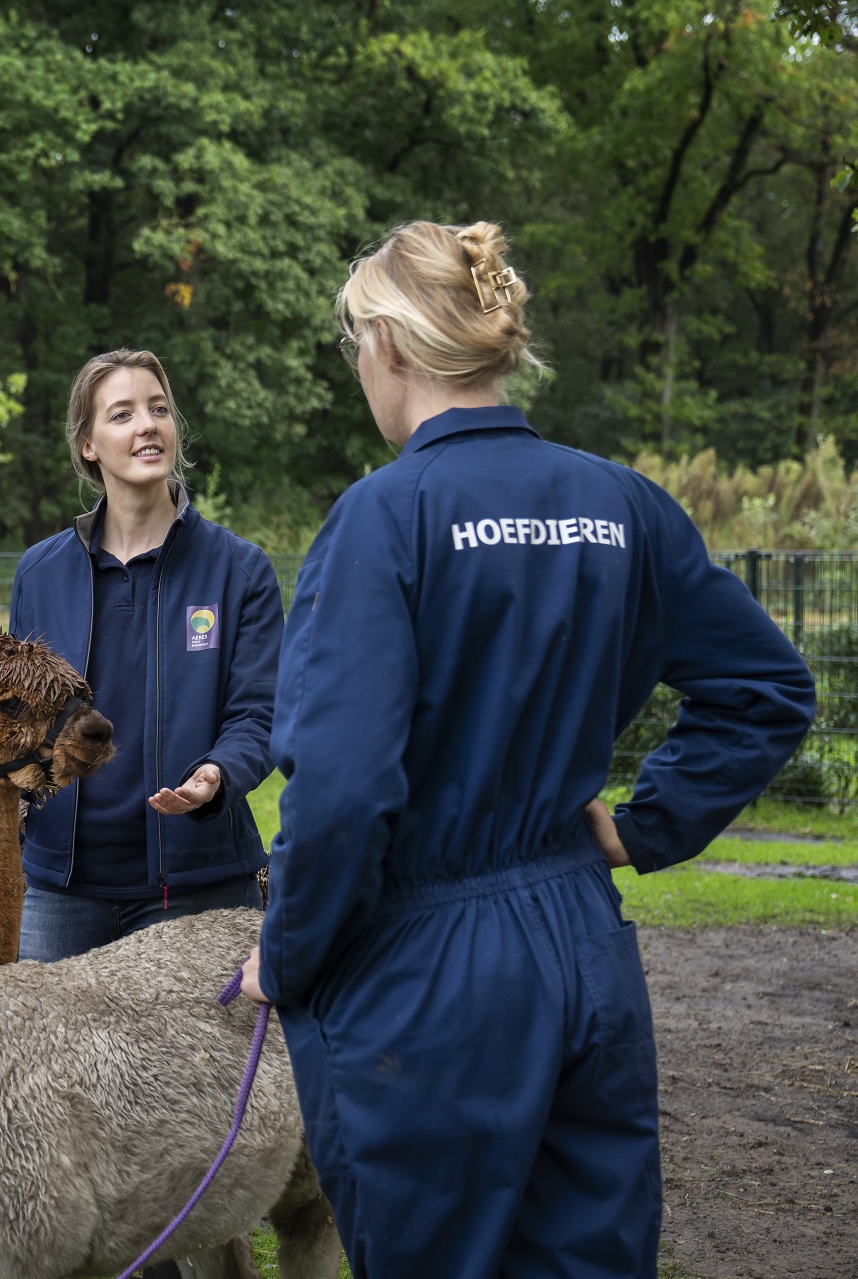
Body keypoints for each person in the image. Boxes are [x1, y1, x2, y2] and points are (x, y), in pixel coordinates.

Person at [241, 221, 815, 1278]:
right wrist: (644, 823)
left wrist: (285, 953)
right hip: (583, 952)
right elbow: (767, 687)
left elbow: (347, 788)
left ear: (393, 346)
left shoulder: (383, 518)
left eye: (353, 345)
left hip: (426, 972)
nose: (358, 369)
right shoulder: (621, 503)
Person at [10, 348, 285, 961]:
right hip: (60, 891)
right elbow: (21, 721)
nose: (147, 425)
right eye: (123, 413)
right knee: (51, 1058)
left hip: (199, 883)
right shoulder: (39, 573)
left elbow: (261, 717)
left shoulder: (240, 571)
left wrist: (217, 776)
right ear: (88, 444)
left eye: (159, 409)